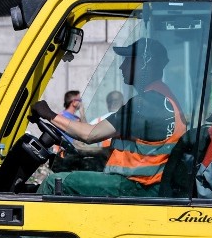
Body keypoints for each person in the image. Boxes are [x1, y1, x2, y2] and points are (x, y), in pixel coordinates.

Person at [32, 38, 186, 197]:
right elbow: (137, 149)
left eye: (127, 60)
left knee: (53, 183)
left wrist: (48, 114)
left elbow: (89, 134)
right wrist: (82, 154)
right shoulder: (165, 98)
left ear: (143, 63)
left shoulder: (144, 105)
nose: (121, 66)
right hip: (149, 184)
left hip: (135, 186)